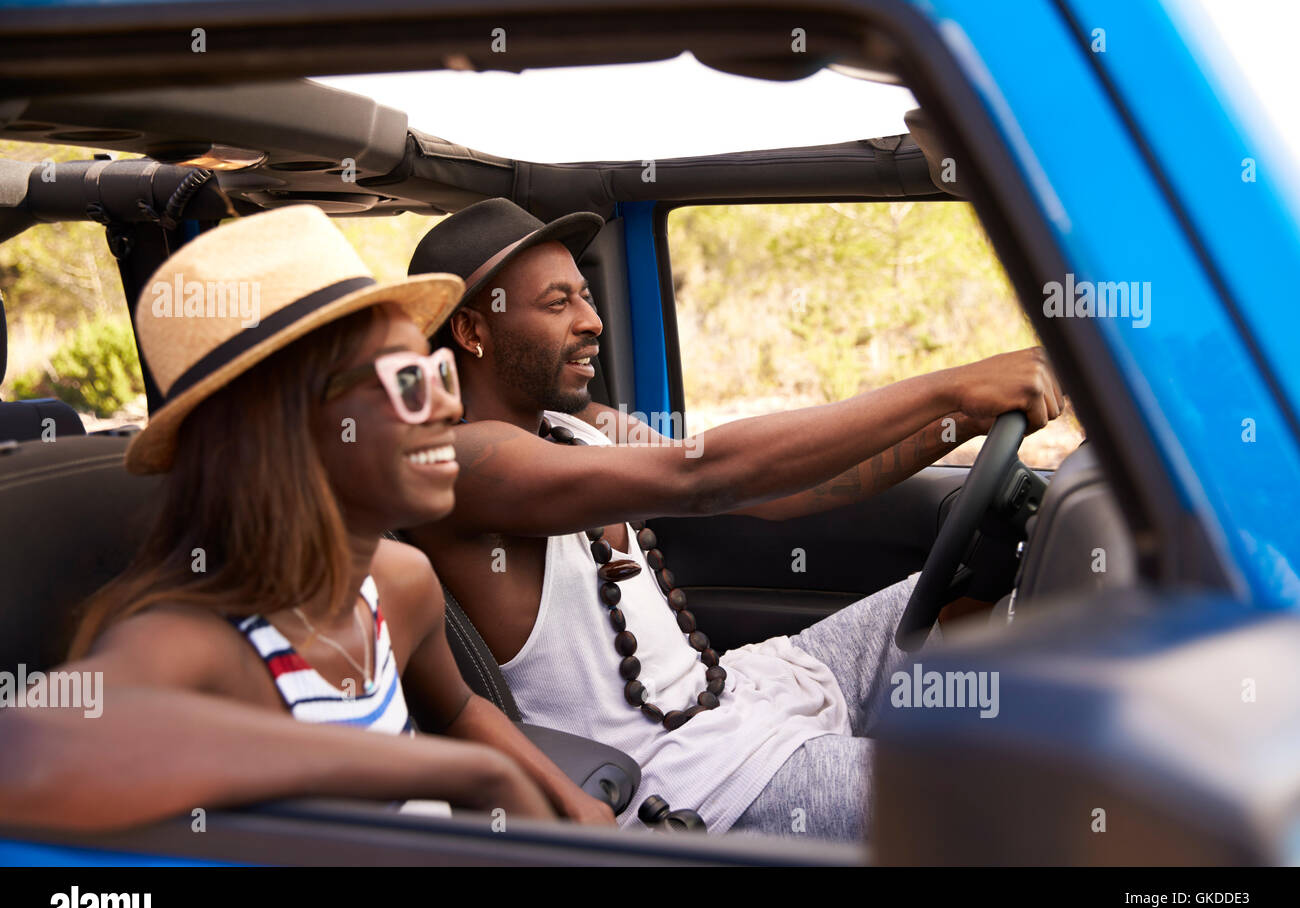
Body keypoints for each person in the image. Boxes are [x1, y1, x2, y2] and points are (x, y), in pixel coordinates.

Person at [402, 198, 1065, 839]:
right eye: (557, 302)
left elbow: (779, 493)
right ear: (471, 330)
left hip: (740, 693)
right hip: (691, 782)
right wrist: (951, 384)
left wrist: (957, 422)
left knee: (983, 602)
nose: (592, 321)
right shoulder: (464, 462)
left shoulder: (584, 426)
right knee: (1013, 804)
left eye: (585, 295)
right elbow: (702, 476)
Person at [14, 204, 616, 829]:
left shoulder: (399, 583)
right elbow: (25, 752)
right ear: (288, 427)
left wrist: (563, 801)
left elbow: (460, 709)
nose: (444, 403)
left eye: (436, 371)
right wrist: (462, 774)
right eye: (405, 378)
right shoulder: (202, 644)